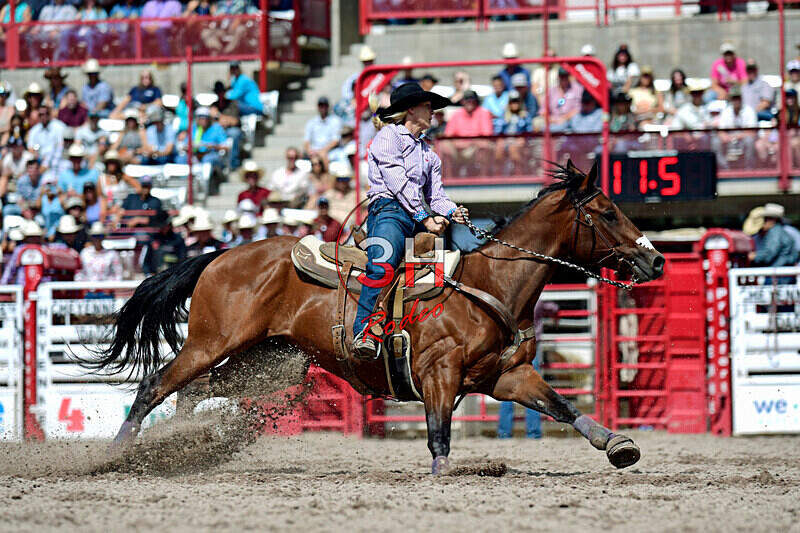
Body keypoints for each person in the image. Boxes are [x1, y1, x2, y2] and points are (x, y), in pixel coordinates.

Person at [352, 83, 469, 356]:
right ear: (411, 109)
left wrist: (452, 211)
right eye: (428, 107)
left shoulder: (429, 153)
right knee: (382, 266)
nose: (433, 113)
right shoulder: (388, 136)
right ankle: (364, 331)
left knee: (443, 272)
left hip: (413, 215)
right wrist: (426, 218)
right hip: (389, 211)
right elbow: (397, 183)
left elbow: (436, 195)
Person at [497, 300, 558, 440]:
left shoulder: (509, 302)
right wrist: (555, 316)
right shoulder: (537, 302)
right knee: (532, 391)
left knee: (506, 391)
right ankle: (533, 432)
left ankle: (504, 433)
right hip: (531, 348)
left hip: (510, 349)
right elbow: (553, 308)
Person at [441, 90, 493, 175]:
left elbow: (487, 135)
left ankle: (483, 178)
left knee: (485, 145)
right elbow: (448, 135)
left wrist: (470, 143)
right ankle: (448, 180)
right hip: (458, 149)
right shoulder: (456, 115)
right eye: (466, 99)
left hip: (475, 148)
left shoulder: (484, 113)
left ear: (476, 101)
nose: (469, 101)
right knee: (444, 145)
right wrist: (459, 144)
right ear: (462, 101)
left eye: (471, 99)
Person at [716, 86, 757, 169]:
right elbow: (720, 131)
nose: (736, 101)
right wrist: (726, 137)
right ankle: (724, 169)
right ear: (730, 100)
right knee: (715, 142)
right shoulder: (726, 111)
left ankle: (748, 168)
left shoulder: (749, 110)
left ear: (741, 99)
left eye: (738, 98)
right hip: (729, 140)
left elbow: (752, 132)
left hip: (743, 140)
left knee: (749, 140)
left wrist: (735, 137)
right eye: (734, 98)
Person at [1, 221, 46, 285]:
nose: (33, 239)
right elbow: (11, 268)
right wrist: (3, 284)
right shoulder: (19, 250)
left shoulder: (45, 249)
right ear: (26, 238)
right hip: (23, 286)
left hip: (43, 285)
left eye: (36, 236)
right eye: (30, 237)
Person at [142, 210, 186, 275]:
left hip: (173, 275)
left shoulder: (178, 239)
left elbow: (182, 258)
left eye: (164, 226)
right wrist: (148, 274)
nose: (162, 228)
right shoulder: (153, 239)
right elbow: (146, 260)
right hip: (155, 275)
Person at [211, 81, 243, 169]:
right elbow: (211, 123)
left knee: (234, 134)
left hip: (231, 129)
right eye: (217, 92)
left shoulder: (232, 104)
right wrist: (224, 119)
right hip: (218, 131)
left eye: (221, 91)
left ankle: (233, 163)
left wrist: (218, 116)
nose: (219, 94)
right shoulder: (213, 105)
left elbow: (235, 121)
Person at [27, 103, 66, 172]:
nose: (43, 117)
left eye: (46, 114)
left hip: (56, 157)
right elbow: (30, 148)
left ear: (49, 115)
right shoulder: (34, 130)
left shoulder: (59, 127)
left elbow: (61, 145)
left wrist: (47, 160)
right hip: (40, 159)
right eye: (40, 115)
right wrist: (37, 157)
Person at [304, 96, 342, 165]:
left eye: (324, 105)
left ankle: (326, 175)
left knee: (323, 157)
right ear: (318, 107)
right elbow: (306, 140)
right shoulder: (311, 122)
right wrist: (309, 151)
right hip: (314, 150)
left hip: (329, 150)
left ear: (328, 107)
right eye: (321, 105)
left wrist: (323, 151)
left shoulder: (335, 121)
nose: (323, 108)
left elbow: (336, 140)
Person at [546, 68, 582, 132]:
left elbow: (579, 108)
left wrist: (564, 118)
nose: (564, 78)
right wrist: (550, 119)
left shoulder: (577, 89)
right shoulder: (551, 91)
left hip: (570, 120)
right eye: (561, 76)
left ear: (569, 77)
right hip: (554, 121)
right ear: (558, 77)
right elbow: (543, 109)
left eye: (566, 76)